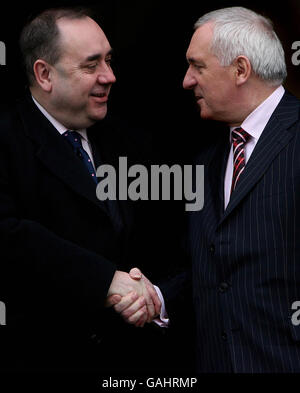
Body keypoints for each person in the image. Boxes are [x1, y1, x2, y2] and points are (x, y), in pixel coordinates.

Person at [112, 6, 300, 373]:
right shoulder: (207, 162)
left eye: (197, 66)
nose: (186, 80)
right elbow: (209, 268)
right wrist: (158, 298)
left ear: (241, 70)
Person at [0, 6, 162, 372]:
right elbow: (8, 236)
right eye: (91, 66)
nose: (110, 76)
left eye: (109, 61)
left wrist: (146, 295)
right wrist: (104, 281)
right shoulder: (8, 140)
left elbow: (155, 235)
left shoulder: (128, 140)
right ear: (44, 74)